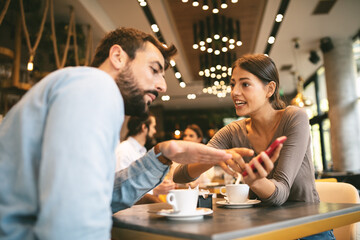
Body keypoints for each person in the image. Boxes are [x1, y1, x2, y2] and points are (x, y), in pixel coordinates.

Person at [0, 27, 248, 240]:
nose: (162, 85)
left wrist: (162, 155)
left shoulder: (82, 89)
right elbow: (74, 217)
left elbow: (99, 196)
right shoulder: (95, 85)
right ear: (118, 56)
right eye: (154, 69)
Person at [173, 54, 334, 239]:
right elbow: (180, 174)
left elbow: (280, 194)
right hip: (263, 228)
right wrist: (216, 156)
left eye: (245, 84)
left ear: (269, 89)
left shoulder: (294, 117)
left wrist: (254, 180)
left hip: (308, 229)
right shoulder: (233, 131)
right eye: (232, 84)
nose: (234, 92)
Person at [115, 114, 176, 202]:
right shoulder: (124, 150)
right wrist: (154, 190)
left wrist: (159, 184)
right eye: (153, 127)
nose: (155, 131)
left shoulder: (142, 151)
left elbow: (141, 181)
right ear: (144, 127)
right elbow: (121, 187)